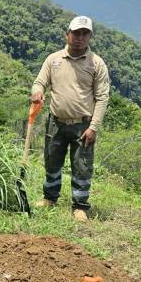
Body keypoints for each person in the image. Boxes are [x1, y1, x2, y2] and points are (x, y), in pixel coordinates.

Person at [30, 16, 111, 222]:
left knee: (82, 166)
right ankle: (50, 198)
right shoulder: (54, 59)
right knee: (52, 161)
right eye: (76, 33)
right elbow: (40, 82)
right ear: (68, 34)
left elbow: (102, 97)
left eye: (85, 34)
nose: (79, 38)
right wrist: (37, 92)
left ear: (90, 37)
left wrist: (93, 127)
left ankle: (80, 206)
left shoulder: (97, 64)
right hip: (56, 122)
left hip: (83, 125)